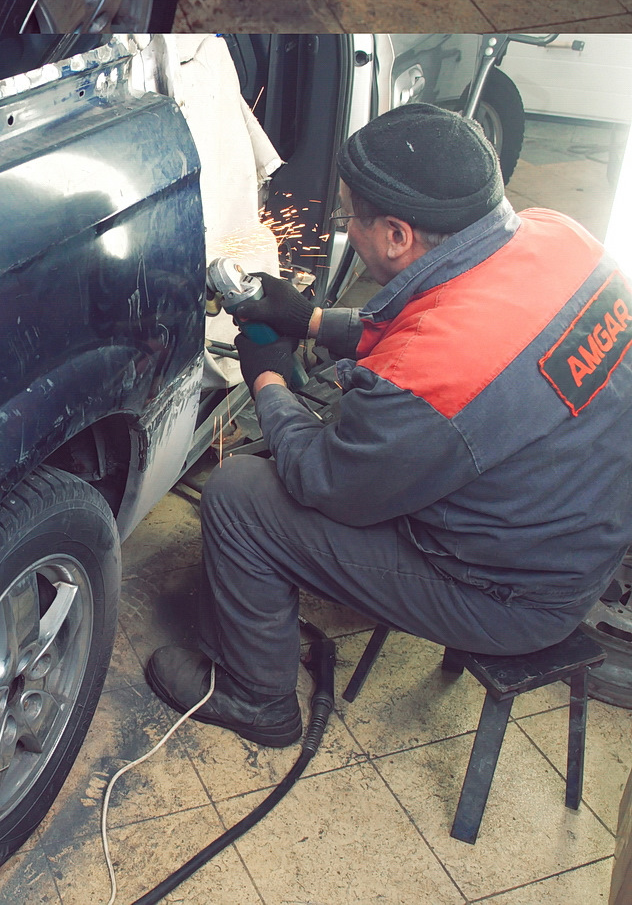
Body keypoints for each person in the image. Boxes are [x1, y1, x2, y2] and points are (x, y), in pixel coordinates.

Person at [146, 103, 632, 746]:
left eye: (351, 217)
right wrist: (309, 322)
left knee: (240, 495)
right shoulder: (558, 236)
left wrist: (267, 378)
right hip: (575, 543)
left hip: (511, 597)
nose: (346, 229)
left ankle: (257, 698)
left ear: (398, 235)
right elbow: (448, 316)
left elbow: (324, 480)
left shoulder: (435, 378)